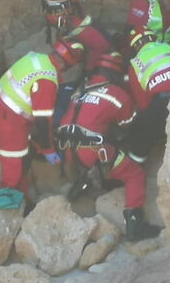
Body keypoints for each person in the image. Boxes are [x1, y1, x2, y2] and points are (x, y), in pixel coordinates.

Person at [55, 52, 162, 242]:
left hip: (67, 149)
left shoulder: (81, 89)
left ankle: (92, 179)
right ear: (116, 75)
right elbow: (128, 124)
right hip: (93, 150)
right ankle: (135, 225)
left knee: (105, 149)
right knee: (135, 173)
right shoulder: (116, 94)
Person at [0, 38, 85, 206]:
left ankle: (23, 199)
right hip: (10, 118)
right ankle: (8, 201)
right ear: (68, 64)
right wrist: (48, 149)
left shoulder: (37, 58)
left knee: (23, 159)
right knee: (15, 161)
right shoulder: (47, 80)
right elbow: (43, 120)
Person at [125, 30, 170, 163]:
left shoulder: (135, 63)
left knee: (141, 130)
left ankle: (136, 162)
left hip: (164, 102)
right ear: (154, 38)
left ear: (135, 46)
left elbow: (143, 103)